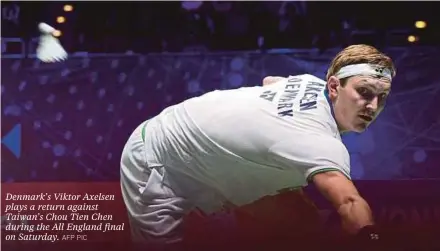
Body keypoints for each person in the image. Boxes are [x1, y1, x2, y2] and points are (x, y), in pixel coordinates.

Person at [120, 44, 396, 245]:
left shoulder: (309, 83)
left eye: (381, 97)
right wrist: (373, 238)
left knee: (301, 221)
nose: (372, 106)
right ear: (335, 87)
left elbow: (270, 82)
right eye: (364, 92)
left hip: (206, 158)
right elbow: (349, 202)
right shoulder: (320, 143)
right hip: (155, 158)